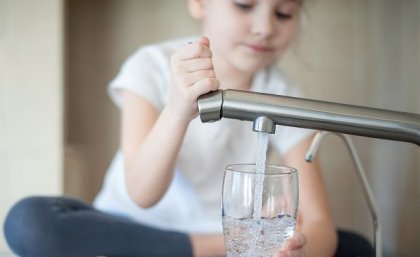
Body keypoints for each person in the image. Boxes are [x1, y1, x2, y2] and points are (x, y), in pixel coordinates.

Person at [4, 0, 373, 256]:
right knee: (30, 222)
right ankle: (208, 251)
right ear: (200, 3)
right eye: (244, 5)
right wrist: (179, 109)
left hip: (218, 239)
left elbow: (319, 220)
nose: (264, 28)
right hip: (128, 229)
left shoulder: (284, 93)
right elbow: (142, 193)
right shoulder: (151, 65)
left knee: (354, 246)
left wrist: (297, 253)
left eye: (283, 13)